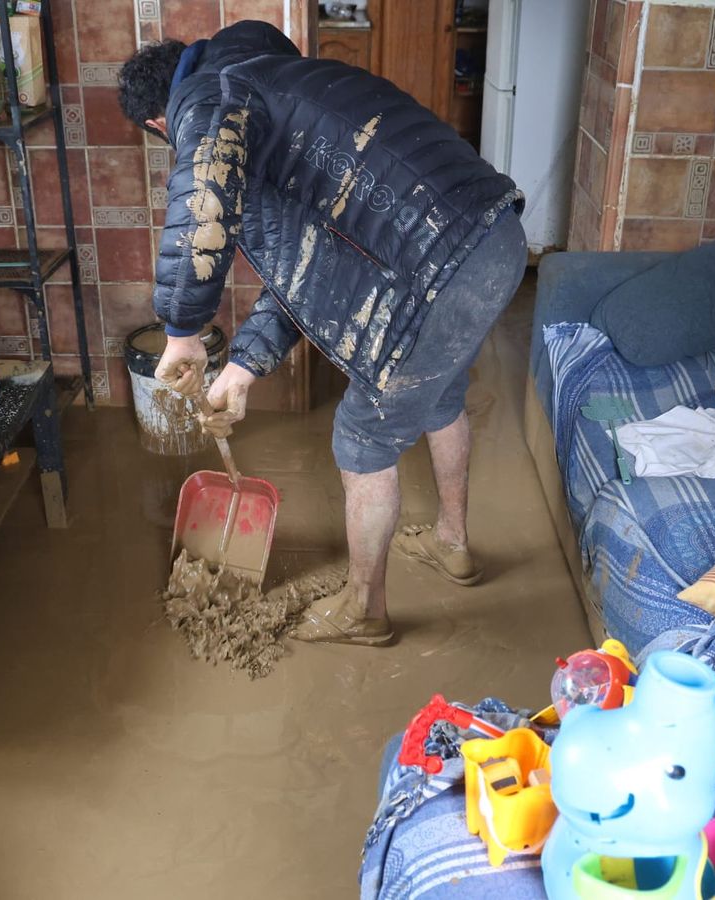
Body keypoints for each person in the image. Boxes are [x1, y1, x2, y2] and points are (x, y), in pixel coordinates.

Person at [118, 20, 525, 646]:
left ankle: (365, 612)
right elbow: (311, 272)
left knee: (363, 436)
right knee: (439, 391)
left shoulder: (210, 100)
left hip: (440, 269)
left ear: (158, 124)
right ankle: (453, 544)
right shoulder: (273, 86)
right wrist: (243, 367)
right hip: (495, 237)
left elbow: (203, 200)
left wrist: (183, 330)